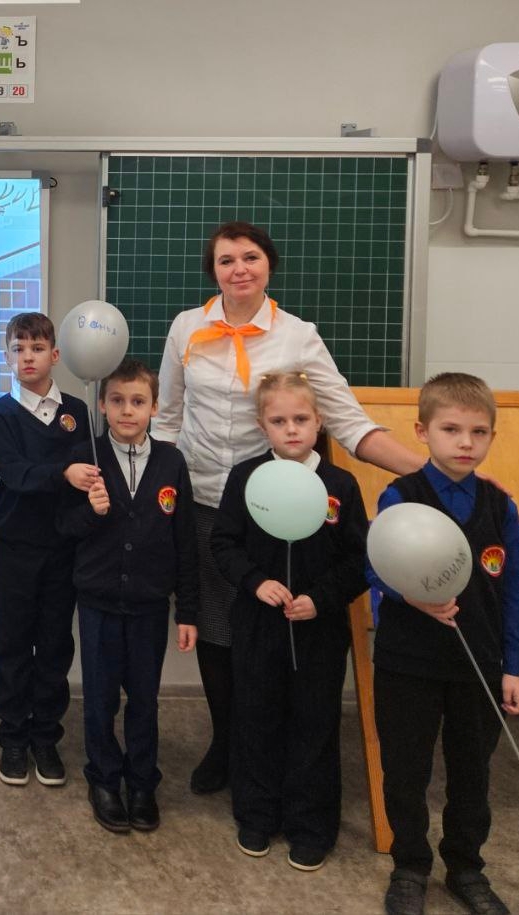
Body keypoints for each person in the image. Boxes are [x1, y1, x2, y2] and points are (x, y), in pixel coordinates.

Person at [154, 220, 424, 795]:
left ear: (269, 265)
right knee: (216, 626)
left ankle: (266, 746)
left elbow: (349, 423)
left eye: (250, 257)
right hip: (206, 502)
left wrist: (429, 474)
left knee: (267, 626)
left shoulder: (298, 336)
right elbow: (167, 418)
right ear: (213, 272)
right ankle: (226, 742)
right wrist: (155, 493)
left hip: (280, 510)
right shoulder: (186, 328)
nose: (239, 269)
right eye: (226, 260)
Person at [369, 373, 519, 915]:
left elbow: (515, 591)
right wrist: (411, 597)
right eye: (451, 429)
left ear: (491, 437)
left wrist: (512, 666)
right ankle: (410, 865)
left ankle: (466, 867)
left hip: (478, 665)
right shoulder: (401, 495)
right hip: (407, 663)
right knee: (405, 770)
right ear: (423, 432)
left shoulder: (499, 506)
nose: (466, 442)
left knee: (471, 773)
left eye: (479, 432)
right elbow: (375, 567)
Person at [208, 372, 369, 871]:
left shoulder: (340, 485)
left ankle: (311, 825)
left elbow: (359, 559)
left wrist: (320, 598)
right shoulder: (246, 477)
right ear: (263, 426)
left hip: (320, 628)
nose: (291, 429)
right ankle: (257, 815)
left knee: (315, 723)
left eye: (301, 419)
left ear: (319, 422)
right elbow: (223, 543)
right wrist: (256, 581)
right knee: (255, 717)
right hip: (258, 624)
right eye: (279, 421)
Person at [56, 359, 198, 832]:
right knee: (100, 698)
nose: (127, 410)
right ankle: (103, 778)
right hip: (98, 602)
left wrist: (187, 610)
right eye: (117, 401)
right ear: (102, 404)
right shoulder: (86, 457)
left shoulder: (172, 463)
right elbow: (63, 526)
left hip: (149, 605)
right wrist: (90, 512)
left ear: (155, 407)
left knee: (144, 698)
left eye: (138, 401)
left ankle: (141, 783)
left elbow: (184, 542)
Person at [0, 312, 99, 787]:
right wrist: (63, 474)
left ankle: (46, 737)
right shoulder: (0, 413)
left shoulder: (78, 412)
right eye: (18, 349)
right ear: (7, 356)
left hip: (63, 548)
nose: (27, 357)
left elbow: (84, 472)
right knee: (12, 643)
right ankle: (13, 737)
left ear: (55, 355)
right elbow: (17, 474)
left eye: (36, 348)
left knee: (54, 643)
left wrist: (82, 484)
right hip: (16, 547)